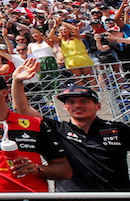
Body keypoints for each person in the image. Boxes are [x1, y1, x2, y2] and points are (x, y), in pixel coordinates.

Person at [11, 63, 130, 191]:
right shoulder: (57, 129)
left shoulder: (118, 129)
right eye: (71, 102)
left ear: (98, 106)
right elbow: (21, 110)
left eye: (84, 101)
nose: (77, 105)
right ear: (65, 107)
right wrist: (17, 81)